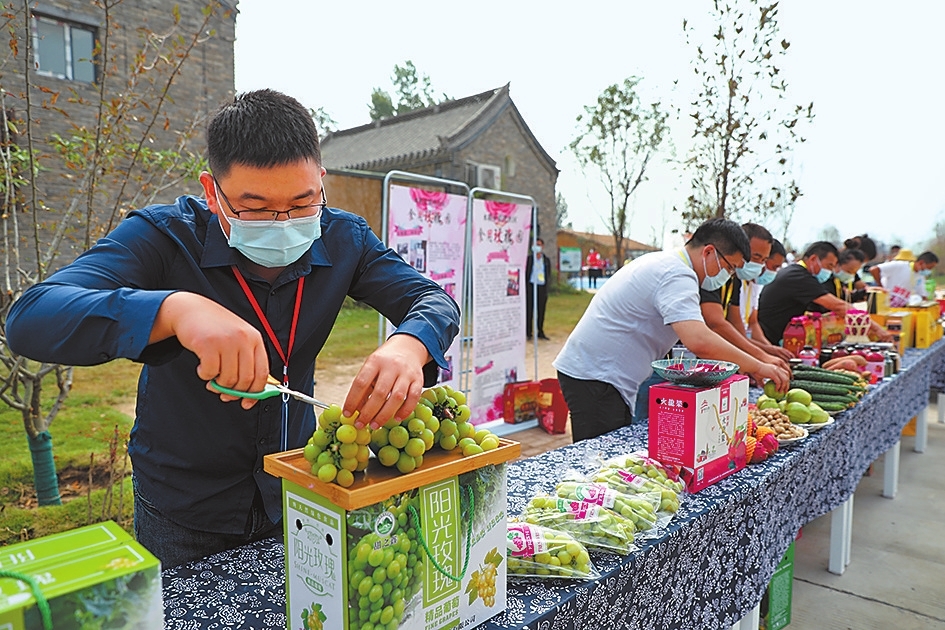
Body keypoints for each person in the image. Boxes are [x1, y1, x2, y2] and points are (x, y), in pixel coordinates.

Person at [6, 89, 460, 569]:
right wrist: (174, 310)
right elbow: (32, 316)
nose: (282, 222)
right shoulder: (163, 238)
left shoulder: (344, 237)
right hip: (184, 508)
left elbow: (433, 300)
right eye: (255, 208)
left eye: (303, 202)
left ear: (321, 182)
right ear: (211, 190)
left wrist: (408, 347)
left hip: (297, 488)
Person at [554, 218, 790, 442]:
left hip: (599, 375)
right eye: (730, 268)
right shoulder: (677, 274)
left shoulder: (668, 264)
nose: (728, 277)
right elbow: (699, 340)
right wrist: (758, 365)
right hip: (597, 378)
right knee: (599, 463)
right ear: (708, 252)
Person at [758, 241, 889, 344]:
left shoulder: (798, 273)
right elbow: (838, 306)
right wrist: (877, 329)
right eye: (829, 266)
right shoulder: (798, 276)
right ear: (814, 259)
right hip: (769, 338)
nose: (830, 272)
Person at [732, 238, 793, 358]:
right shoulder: (736, 283)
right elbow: (737, 333)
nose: (774, 272)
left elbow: (753, 323)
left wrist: (771, 349)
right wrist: (765, 353)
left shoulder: (754, 285)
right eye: (774, 267)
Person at [869, 249, 939, 304]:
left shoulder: (920, 277)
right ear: (921, 262)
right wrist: (881, 287)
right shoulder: (899, 266)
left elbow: (923, 295)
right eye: (929, 268)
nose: (929, 271)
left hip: (903, 307)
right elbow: (874, 269)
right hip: (887, 304)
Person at [525, 236, 552, 340]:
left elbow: (548, 273)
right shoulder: (529, 259)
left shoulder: (546, 260)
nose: (537, 247)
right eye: (535, 245)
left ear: (542, 246)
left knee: (541, 310)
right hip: (531, 286)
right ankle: (528, 332)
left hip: (542, 287)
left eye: (539, 245)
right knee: (529, 310)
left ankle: (540, 331)